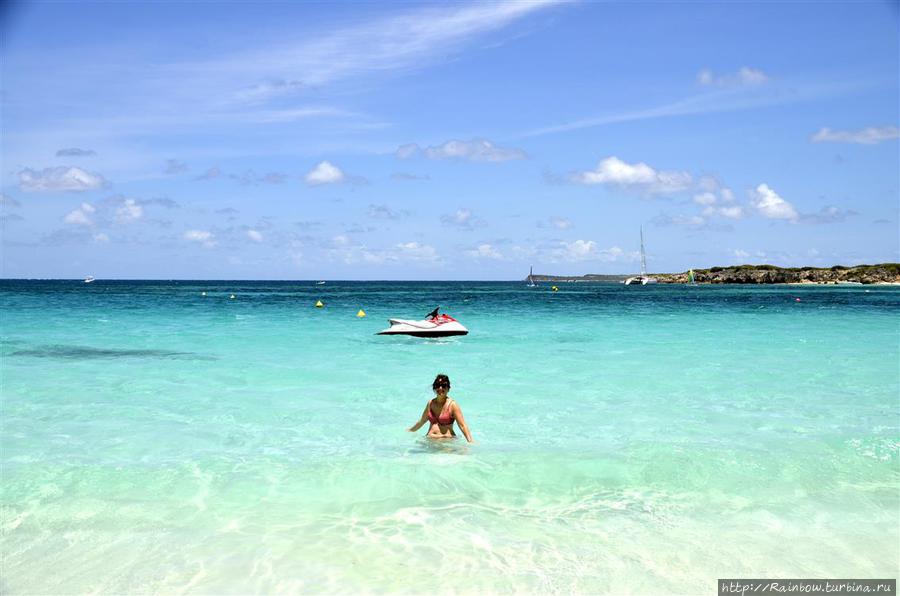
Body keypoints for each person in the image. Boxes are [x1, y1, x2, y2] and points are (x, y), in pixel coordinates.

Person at [408, 374, 473, 442]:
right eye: (438, 385)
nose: (440, 388)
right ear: (434, 388)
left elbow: (462, 425)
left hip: (446, 443)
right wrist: (409, 431)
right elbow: (422, 421)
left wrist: (470, 441)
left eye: (443, 386)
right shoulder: (430, 403)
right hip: (430, 441)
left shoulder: (452, 405)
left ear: (448, 388)